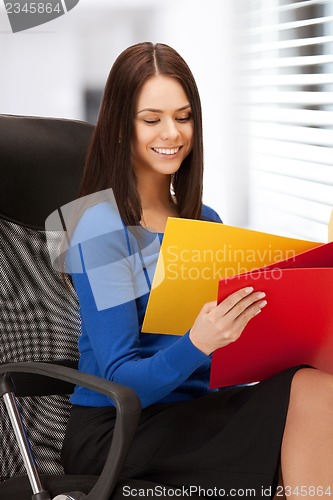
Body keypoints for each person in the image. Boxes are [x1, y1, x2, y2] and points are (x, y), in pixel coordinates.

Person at [61, 42, 333, 498]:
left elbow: (227, 360)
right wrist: (199, 342)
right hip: (120, 428)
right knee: (308, 402)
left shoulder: (205, 222)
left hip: (194, 415)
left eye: (183, 117)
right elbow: (121, 379)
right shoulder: (100, 228)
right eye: (152, 119)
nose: (172, 133)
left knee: (313, 387)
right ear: (121, 126)